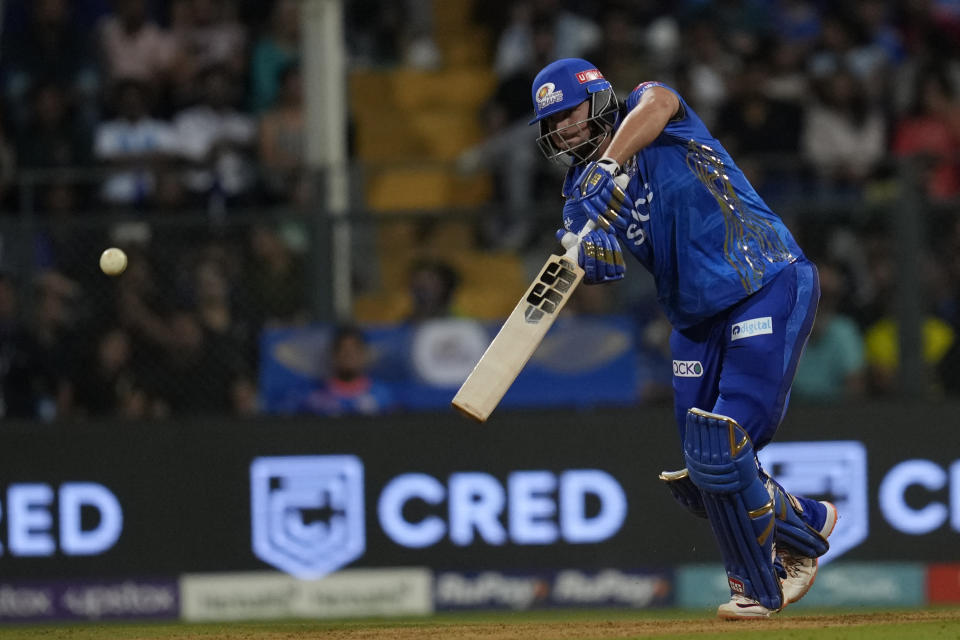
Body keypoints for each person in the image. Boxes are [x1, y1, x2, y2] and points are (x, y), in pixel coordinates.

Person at [527, 58, 836, 619]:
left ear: (596, 99)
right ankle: (806, 523)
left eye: (567, 113)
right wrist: (586, 251)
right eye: (551, 123)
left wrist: (610, 163)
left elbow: (659, 102)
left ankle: (756, 589)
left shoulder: (656, 113)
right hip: (694, 321)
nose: (562, 128)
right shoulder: (580, 189)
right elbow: (584, 249)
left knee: (722, 443)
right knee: (701, 470)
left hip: (763, 279)